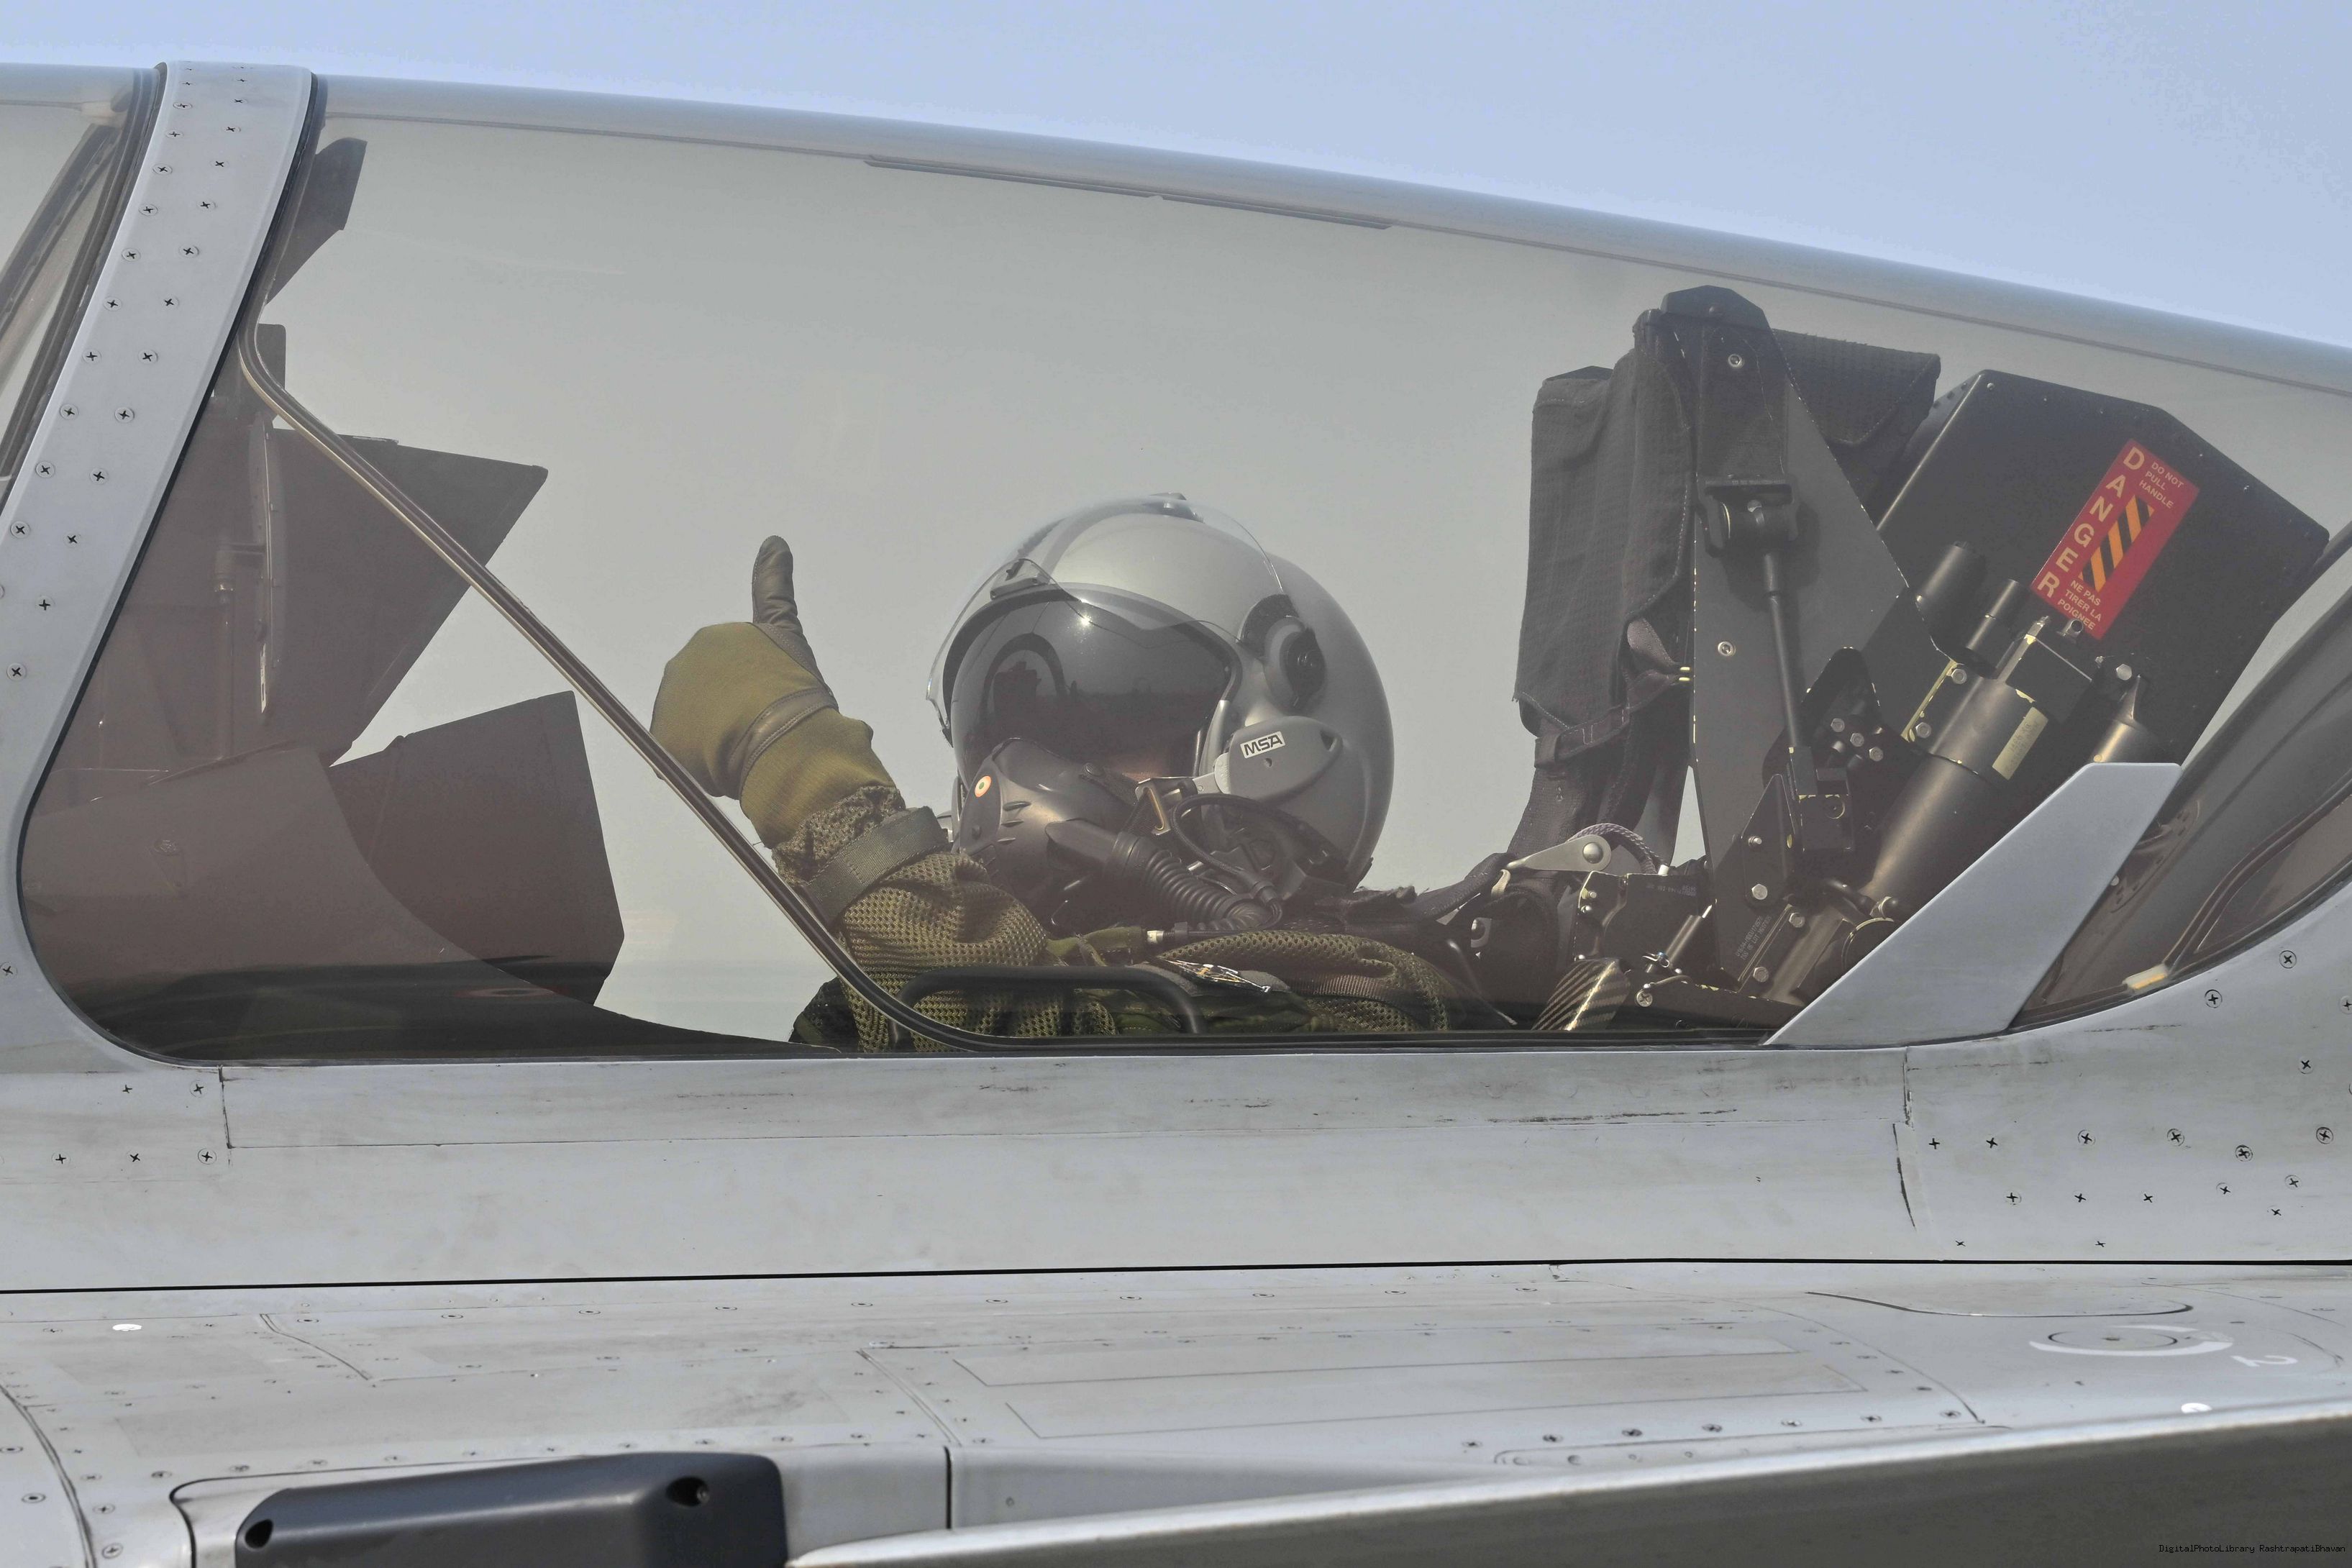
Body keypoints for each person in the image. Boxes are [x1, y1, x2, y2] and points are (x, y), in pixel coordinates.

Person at [652, 496, 1500, 1048]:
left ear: (1272, 741)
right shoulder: (931, 992)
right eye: (1001, 737)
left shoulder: (1366, 1000)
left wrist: (804, 771)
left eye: (1101, 726)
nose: (1023, 777)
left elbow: (1042, 1056)